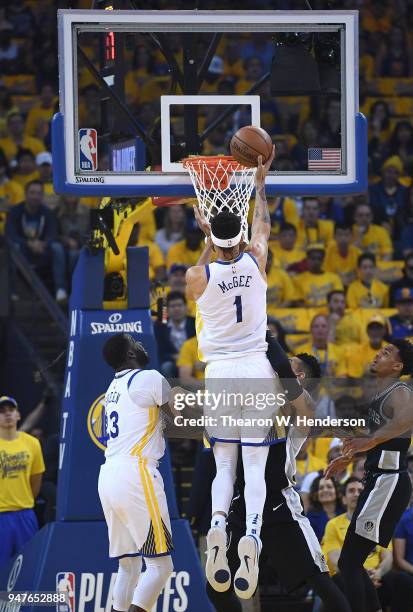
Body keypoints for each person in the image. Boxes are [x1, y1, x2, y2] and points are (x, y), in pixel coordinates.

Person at [186, 149, 284, 598]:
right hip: (256, 368)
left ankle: (219, 526)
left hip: (220, 373)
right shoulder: (257, 260)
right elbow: (262, 226)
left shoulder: (196, 276)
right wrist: (259, 185)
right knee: (256, 466)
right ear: (242, 235)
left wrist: (207, 236)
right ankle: (253, 537)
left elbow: (209, 263)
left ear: (212, 234)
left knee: (223, 463)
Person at [206, 352, 351, 612]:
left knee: (321, 583)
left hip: (279, 505)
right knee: (216, 586)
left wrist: (263, 338)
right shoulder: (257, 399)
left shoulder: (301, 405)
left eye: (285, 367)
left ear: (298, 377)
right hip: (243, 501)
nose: (273, 369)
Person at [326, 339, 413, 612]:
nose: (379, 353)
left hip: (388, 482)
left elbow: (407, 420)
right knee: (352, 562)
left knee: (349, 563)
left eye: (387, 353)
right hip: (380, 481)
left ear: (397, 366)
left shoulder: (400, 390)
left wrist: (368, 442)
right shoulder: (378, 395)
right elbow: (384, 442)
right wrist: (351, 455)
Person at [98, 333, 174, 612]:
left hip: (108, 476)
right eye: (135, 343)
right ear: (131, 355)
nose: (140, 345)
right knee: (161, 567)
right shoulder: (150, 377)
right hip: (136, 473)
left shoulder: (112, 388)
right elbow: (179, 422)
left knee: (128, 565)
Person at [322, 477, 396, 611]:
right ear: (344, 499)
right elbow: (336, 562)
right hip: (348, 576)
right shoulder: (333, 524)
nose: (356, 494)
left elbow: (388, 558)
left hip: (377, 577)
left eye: (360, 491)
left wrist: (378, 573)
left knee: (402, 580)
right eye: (351, 491)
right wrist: (364, 576)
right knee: (343, 580)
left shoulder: (378, 523)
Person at [0, 395, 45, 567]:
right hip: (1, 516)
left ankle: (25, 596)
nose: (7, 414)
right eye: (2, 411)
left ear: (18, 414)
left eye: (11, 410)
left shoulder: (32, 444)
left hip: (25, 514)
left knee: (27, 566)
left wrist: (24, 500)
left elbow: (36, 479)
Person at [5, 180, 68, 302]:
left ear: (42, 196)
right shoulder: (15, 212)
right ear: (25, 194)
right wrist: (28, 243)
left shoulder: (48, 213)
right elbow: (10, 234)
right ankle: (12, 291)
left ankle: (61, 289)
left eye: (39, 193)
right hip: (23, 250)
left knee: (57, 248)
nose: (35, 196)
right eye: (32, 192)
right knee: (14, 248)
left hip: (43, 251)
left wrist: (42, 244)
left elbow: (53, 233)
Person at [154, 291, 195, 378]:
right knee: (166, 367)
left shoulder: (194, 323)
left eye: (180, 305)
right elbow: (161, 351)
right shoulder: (160, 326)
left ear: (186, 307)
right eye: (173, 306)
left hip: (192, 360)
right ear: (167, 309)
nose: (176, 309)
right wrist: (175, 357)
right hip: (173, 361)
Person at [306, 475, 344, 542]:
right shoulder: (310, 518)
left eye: (329, 487)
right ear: (316, 494)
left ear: (337, 491)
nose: (325, 490)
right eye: (321, 488)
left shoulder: (345, 512)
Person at [324, 223, 361, 287]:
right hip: (333, 286)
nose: (343, 238)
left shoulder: (358, 253)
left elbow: (361, 275)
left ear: (352, 237)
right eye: (340, 235)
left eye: (347, 235)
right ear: (334, 236)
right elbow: (326, 275)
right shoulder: (327, 252)